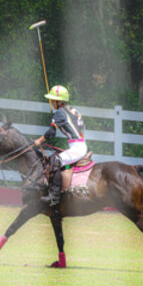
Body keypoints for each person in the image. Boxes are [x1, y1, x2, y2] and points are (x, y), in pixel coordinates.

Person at [33, 84, 87, 212]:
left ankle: (54, 196)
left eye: (52, 100)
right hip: (80, 145)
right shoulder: (73, 110)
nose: (51, 103)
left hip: (77, 147)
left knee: (54, 161)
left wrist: (39, 141)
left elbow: (51, 133)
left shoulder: (60, 113)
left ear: (58, 101)